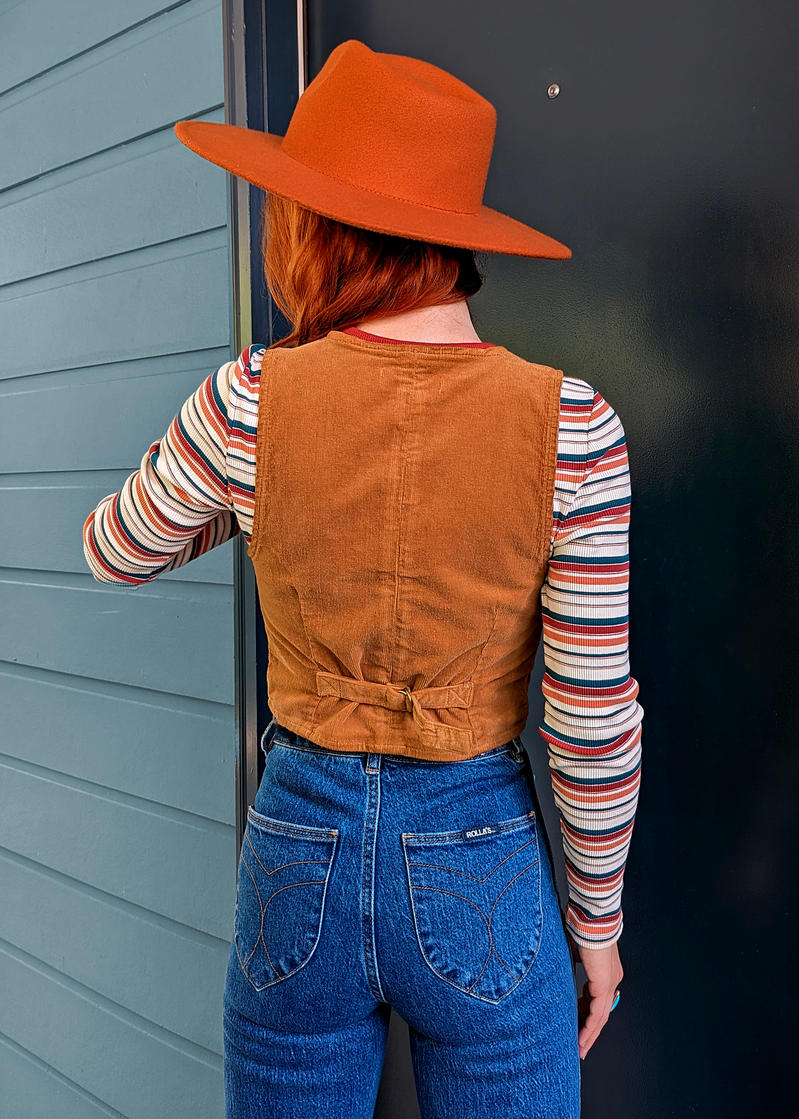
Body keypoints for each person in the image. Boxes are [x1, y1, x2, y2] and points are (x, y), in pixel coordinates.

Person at [83, 39, 642, 1119]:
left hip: (302, 838)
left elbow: (121, 545)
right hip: (478, 844)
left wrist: (254, 501)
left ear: (314, 224)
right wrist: (597, 928)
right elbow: (586, 717)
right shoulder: (573, 426)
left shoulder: (248, 399)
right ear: (452, 239)